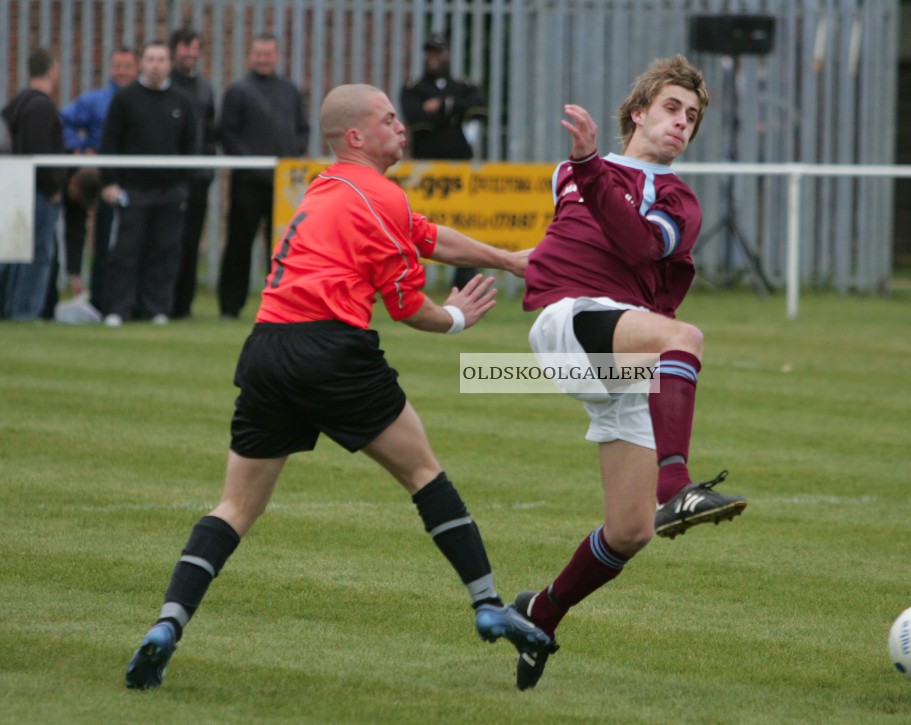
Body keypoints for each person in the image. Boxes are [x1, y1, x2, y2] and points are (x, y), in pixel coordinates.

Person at [125, 83, 549, 691]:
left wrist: (507, 260)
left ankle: (168, 623)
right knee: (424, 473)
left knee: (236, 506)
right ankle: (488, 603)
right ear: (356, 136)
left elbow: (424, 235)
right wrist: (456, 317)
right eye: (389, 119)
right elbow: (408, 309)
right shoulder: (383, 197)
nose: (401, 127)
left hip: (268, 348)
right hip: (331, 351)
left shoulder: (327, 188)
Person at [514, 55, 748, 689]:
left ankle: (541, 611)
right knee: (685, 337)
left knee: (629, 531)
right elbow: (557, 254)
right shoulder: (575, 171)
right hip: (573, 320)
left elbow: (641, 245)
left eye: (692, 117)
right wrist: (446, 250)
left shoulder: (677, 199)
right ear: (638, 111)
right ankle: (679, 484)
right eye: (672, 108)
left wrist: (591, 169)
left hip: (624, 351)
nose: (681, 124)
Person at [99, 40, 198, 326]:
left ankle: (157, 309)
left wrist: (183, 186)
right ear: (143, 63)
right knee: (125, 253)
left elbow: (191, 146)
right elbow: (109, 142)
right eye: (151, 59)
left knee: (164, 252)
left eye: (162, 59)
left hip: (169, 192)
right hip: (132, 191)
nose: (156, 65)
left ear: (169, 64)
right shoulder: (125, 99)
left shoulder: (182, 102)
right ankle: (118, 309)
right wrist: (109, 183)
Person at [217, 32, 309, 320]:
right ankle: (230, 307)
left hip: (282, 184)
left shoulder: (289, 90)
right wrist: (251, 164)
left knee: (282, 247)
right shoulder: (238, 90)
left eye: (268, 53)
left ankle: (281, 304)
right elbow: (226, 133)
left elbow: (302, 130)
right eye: (258, 53)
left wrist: (293, 157)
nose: (263, 58)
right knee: (239, 244)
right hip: (247, 183)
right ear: (251, 55)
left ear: (277, 56)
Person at [399, 33, 487, 290]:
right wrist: (453, 114)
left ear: (447, 55)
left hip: (459, 166)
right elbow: (417, 120)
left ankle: (464, 277)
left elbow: (479, 111)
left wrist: (442, 106)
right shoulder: (414, 87)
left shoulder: (463, 86)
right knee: (422, 222)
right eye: (429, 53)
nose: (433, 58)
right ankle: (414, 276)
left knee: (460, 221)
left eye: (438, 53)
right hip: (425, 166)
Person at [58, 46, 138, 313]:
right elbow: (64, 121)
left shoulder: (143, 100)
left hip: (137, 180)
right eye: (117, 66)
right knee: (104, 242)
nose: (122, 72)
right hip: (106, 180)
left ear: (135, 68)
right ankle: (100, 300)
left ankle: (133, 301)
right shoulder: (95, 100)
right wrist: (79, 148)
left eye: (127, 66)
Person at [0, 48, 66, 322]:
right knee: (37, 255)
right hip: (37, 192)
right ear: (52, 70)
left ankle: (12, 308)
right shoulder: (41, 105)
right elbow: (39, 153)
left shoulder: (19, 103)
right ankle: (25, 311)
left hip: (18, 189)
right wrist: (53, 188)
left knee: (16, 253)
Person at [169, 27, 218, 320]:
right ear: (175, 49)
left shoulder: (205, 89)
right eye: (186, 47)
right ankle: (162, 302)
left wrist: (207, 169)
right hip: (170, 177)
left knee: (190, 243)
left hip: (197, 180)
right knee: (166, 243)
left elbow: (212, 132)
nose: (191, 53)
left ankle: (183, 306)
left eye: (195, 47)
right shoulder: (167, 87)